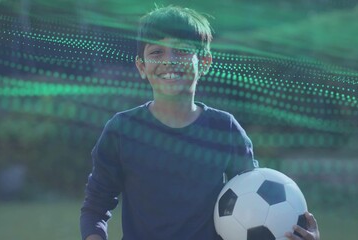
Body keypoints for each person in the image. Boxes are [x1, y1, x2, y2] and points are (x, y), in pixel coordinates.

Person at [80, 5, 319, 240]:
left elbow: (253, 202)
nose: (169, 60)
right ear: (141, 66)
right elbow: (95, 207)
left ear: (204, 62)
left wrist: (298, 232)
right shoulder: (122, 130)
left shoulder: (225, 129)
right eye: (156, 52)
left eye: (182, 50)